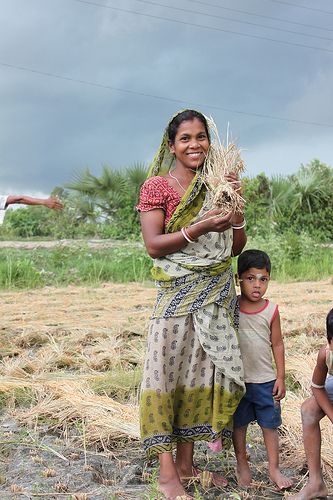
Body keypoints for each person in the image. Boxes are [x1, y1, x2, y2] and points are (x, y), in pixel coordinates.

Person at [137, 109, 247, 500]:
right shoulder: (157, 187)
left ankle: (187, 464)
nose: (195, 144)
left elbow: (235, 247)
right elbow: (153, 246)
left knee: (199, 376)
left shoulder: (216, 184)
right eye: (185, 138)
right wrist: (199, 227)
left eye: (201, 137)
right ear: (172, 146)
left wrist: (234, 206)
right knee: (164, 377)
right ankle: (168, 475)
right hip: (176, 299)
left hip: (215, 296)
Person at [232, 249, 293, 490]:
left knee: (270, 425)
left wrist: (281, 376)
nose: (257, 285)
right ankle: (241, 463)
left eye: (263, 279)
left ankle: (274, 469)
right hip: (239, 382)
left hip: (266, 381)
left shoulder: (271, 310)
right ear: (239, 279)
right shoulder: (232, 306)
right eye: (250, 278)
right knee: (239, 425)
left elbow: (277, 344)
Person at [290, 309, 333, 500]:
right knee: (308, 410)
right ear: (329, 341)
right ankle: (315, 484)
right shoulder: (325, 355)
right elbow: (317, 386)